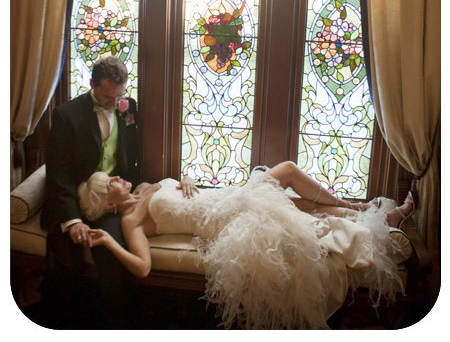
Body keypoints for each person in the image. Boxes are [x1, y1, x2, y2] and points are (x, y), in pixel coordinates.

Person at [78, 161, 415, 329]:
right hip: (222, 217)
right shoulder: (130, 220)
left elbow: (175, 184)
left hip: (224, 197)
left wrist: (186, 179)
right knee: (286, 171)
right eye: (110, 184)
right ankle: (364, 210)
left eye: (112, 177)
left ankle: (373, 215)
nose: (117, 179)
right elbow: (143, 266)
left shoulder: (146, 186)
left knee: (296, 204)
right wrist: (107, 240)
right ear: (108, 205)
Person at [40, 56, 140, 328]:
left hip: (108, 201)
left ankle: (115, 325)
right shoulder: (65, 115)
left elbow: (133, 155)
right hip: (73, 201)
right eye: (108, 97)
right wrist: (73, 220)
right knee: (66, 265)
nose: (114, 102)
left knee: (111, 256)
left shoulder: (128, 107)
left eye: (119, 95)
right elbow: (58, 174)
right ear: (91, 84)